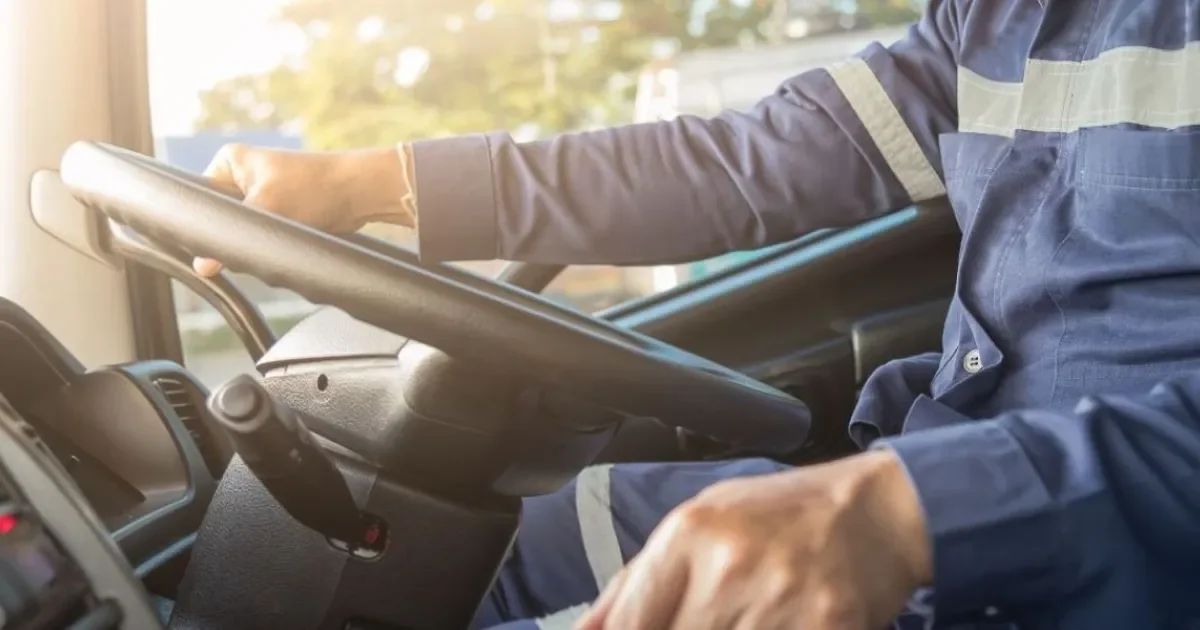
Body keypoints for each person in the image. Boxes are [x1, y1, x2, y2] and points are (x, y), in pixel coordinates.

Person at [195, 1, 1200, 628]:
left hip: (1088, 560)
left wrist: (907, 512)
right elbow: (743, 165)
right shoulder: (993, 24)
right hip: (939, 490)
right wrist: (375, 183)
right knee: (448, 547)